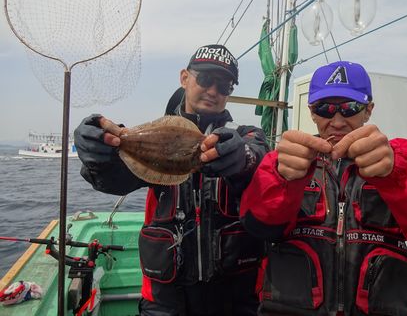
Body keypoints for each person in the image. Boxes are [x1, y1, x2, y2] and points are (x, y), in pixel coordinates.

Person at [240, 61, 407, 316]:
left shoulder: (397, 162)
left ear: (368, 110)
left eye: (349, 108)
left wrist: (398, 171)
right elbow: (258, 226)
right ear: (312, 112)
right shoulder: (283, 163)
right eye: (325, 108)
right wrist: (282, 178)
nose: (337, 120)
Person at [74, 44, 270, 316]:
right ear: (185, 78)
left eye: (224, 86)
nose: (213, 91)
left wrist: (242, 159)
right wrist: (99, 155)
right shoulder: (157, 132)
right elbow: (114, 179)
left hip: (234, 297)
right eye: (205, 79)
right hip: (166, 300)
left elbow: (260, 157)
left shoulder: (246, 135)